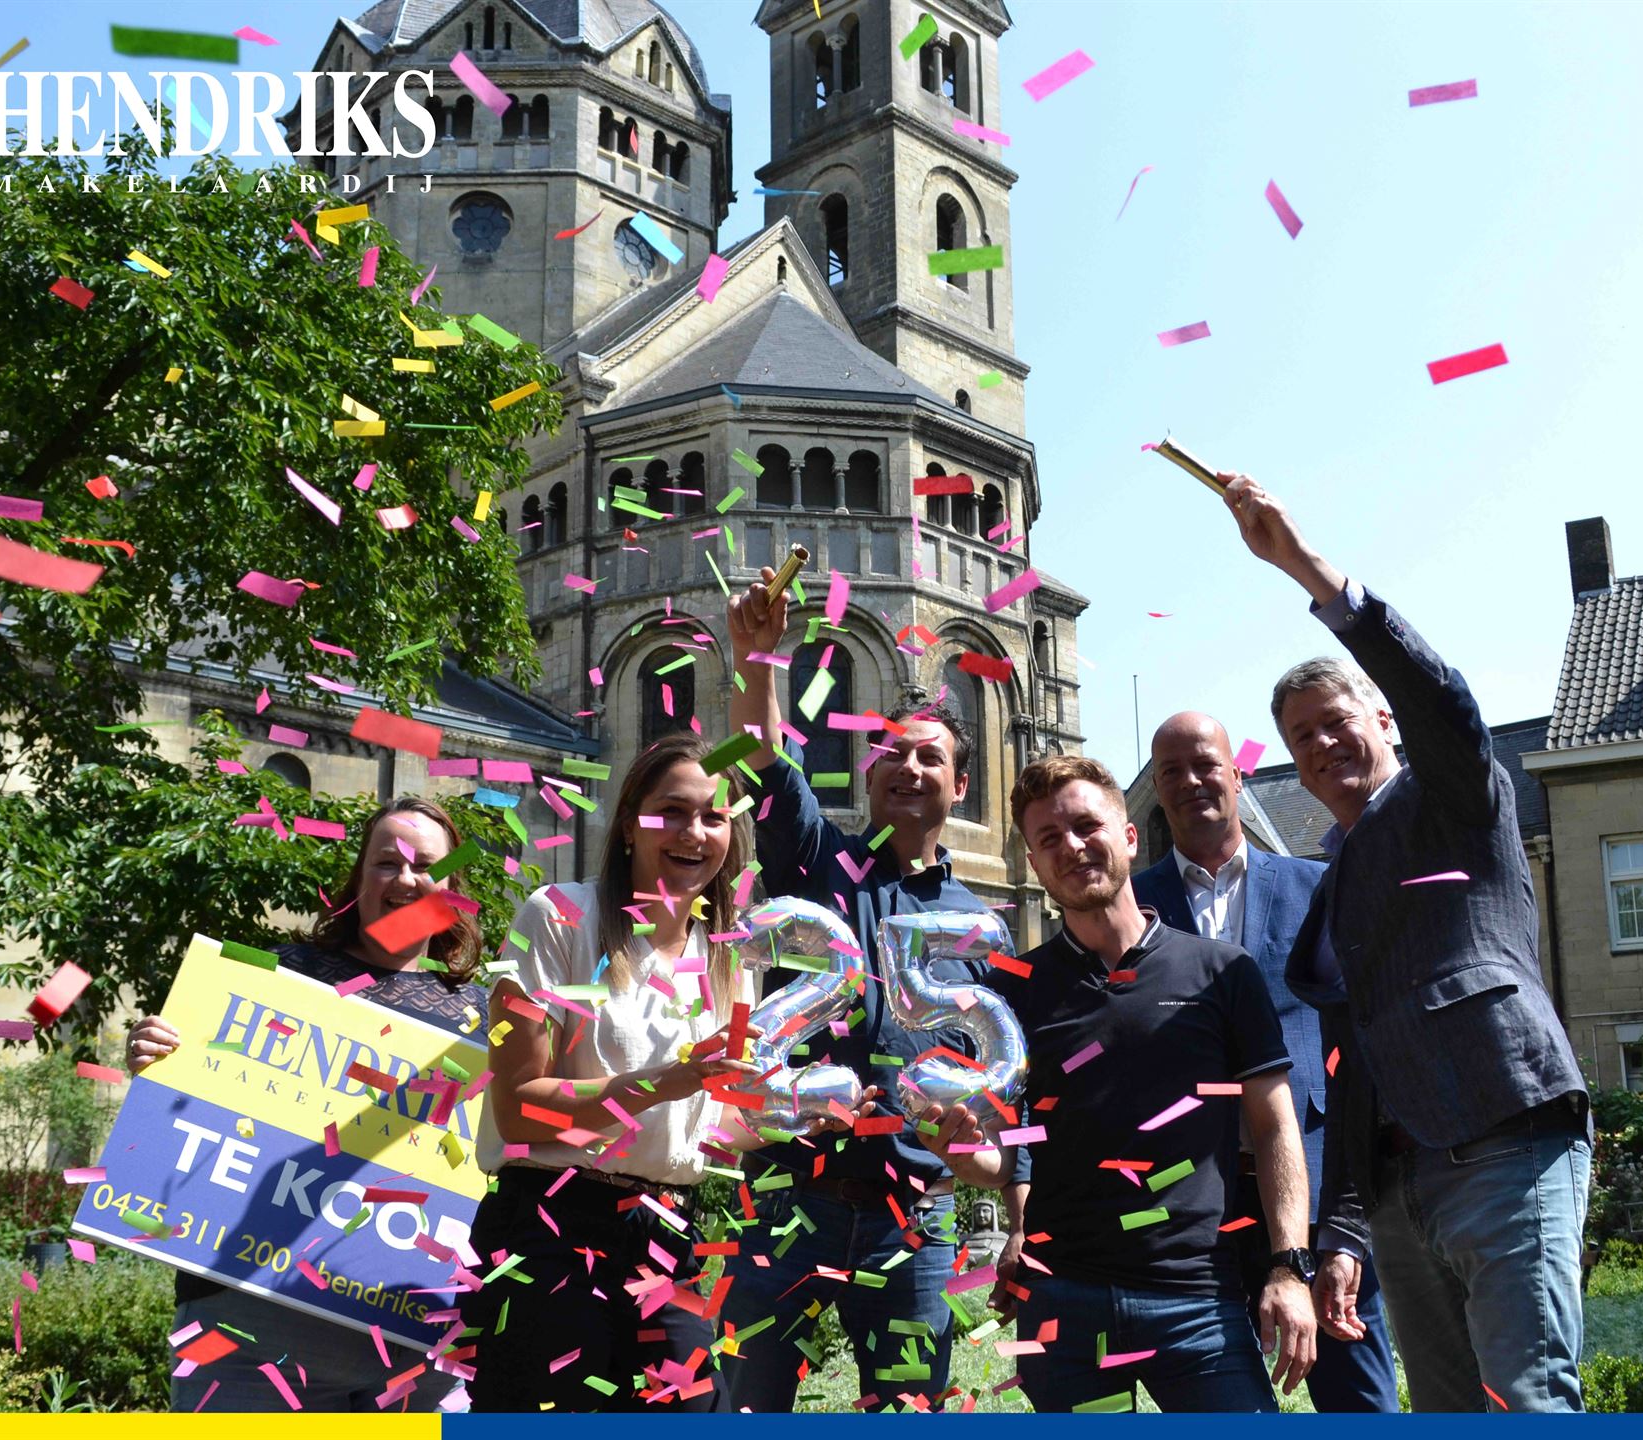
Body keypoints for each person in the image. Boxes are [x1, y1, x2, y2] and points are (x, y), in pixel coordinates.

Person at [1219, 473, 1593, 1412]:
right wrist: (1345, 1230)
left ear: (1383, 720)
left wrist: (1306, 570)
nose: (1319, 750)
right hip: (1399, 1192)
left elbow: (1445, 708)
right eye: (1300, 742)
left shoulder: (1456, 802)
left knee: (1526, 1399)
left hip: (1504, 1144)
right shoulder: (1335, 878)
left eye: (1337, 724)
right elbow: (1354, 1069)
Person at [462, 732, 876, 1412]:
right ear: (629, 823)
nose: (694, 832)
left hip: (664, 1234)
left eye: (714, 816)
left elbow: (714, 1123)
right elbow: (519, 1109)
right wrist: (673, 1077)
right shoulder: (555, 916)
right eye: (672, 811)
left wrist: (796, 1120)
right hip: (549, 1227)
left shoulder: (731, 958)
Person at [919, 754, 1316, 1413]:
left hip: (1199, 1304)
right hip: (1062, 1309)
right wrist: (967, 1160)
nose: (1072, 848)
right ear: (1036, 866)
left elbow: (1275, 1126)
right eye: (1049, 839)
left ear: (1129, 835)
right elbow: (1019, 1150)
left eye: (1086, 826)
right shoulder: (1012, 990)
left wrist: (1288, 1266)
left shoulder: (1222, 971)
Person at [709, 566, 1015, 1412]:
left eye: (931, 757)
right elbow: (765, 764)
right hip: (790, 1203)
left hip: (913, 1219)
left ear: (960, 786)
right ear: (867, 772)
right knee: (749, 1406)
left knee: (909, 1410)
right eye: (891, 752)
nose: (907, 767)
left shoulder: (981, 929)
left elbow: (1003, 1084)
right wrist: (757, 658)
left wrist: (979, 1139)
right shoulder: (814, 862)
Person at [126, 796, 487, 1412]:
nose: (405, 879)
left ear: (452, 892)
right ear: (359, 878)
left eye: (425, 865)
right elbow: (185, 1108)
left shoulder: (487, 1017)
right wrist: (154, 1055)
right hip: (246, 1332)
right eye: (386, 863)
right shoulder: (273, 975)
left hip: (414, 1351)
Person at [1130, 711, 1400, 1413]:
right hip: (1191, 1214)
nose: (1191, 782)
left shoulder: (1319, 886)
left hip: (1312, 1195)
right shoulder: (1133, 908)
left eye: (1205, 765)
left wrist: (1349, 1220)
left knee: (1362, 1406)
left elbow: (1365, 1055)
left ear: (1238, 774)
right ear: (1156, 791)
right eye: (1171, 772)